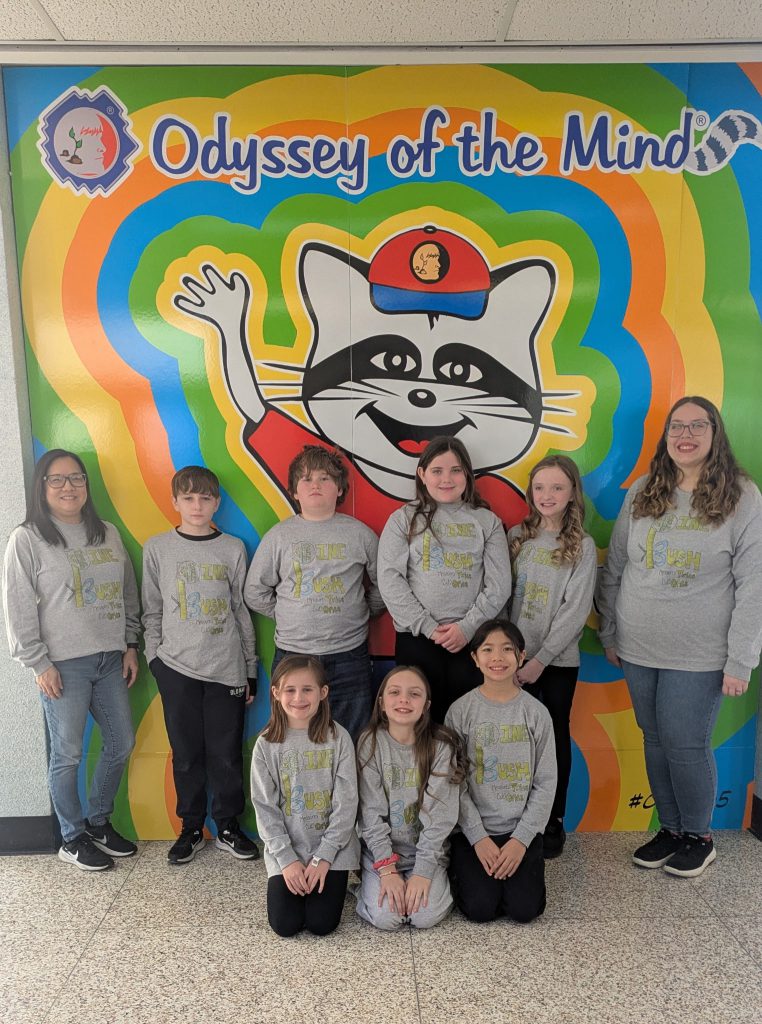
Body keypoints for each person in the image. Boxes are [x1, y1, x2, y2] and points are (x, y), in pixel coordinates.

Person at [598, 396, 762, 877]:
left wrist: (741, 659)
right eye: (677, 426)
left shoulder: (742, 496)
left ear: (715, 433)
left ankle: (699, 836)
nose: (685, 435)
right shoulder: (644, 490)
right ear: (665, 436)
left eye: (697, 425)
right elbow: (616, 567)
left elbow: (754, 584)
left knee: (686, 743)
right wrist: (610, 631)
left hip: (700, 653)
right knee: (654, 740)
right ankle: (670, 829)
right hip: (638, 646)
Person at [2, 449, 140, 871]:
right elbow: (17, 606)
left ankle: (98, 822)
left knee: (121, 742)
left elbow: (127, 589)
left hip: (109, 659)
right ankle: (71, 836)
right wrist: (38, 663)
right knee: (68, 755)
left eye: (77, 478)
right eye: (57, 479)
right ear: (41, 487)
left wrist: (130, 643)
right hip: (63, 666)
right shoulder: (27, 538)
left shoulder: (107, 532)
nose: (69, 487)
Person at [142, 465, 258, 865]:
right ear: (175, 501)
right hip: (175, 668)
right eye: (188, 498)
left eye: (205, 498)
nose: (197, 505)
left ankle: (227, 825)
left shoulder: (233, 548)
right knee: (187, 753)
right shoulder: (157, 548)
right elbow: (152, 610)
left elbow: (241, 611)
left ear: (217, 503)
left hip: (226, 668)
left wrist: (250, 668)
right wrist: (155, 659)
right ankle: (191, 827)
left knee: (226, 753)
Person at [244, 445, 383, 741]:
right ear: (294, 491)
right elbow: (254, 591)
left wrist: (361, 611)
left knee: (351, 738)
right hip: (293, 654)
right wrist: (288, 613)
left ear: (340, 489)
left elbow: (384, 586)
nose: (315, 485)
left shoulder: (360, 534)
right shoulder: (279, 536)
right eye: (306, 479)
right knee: (291, 738)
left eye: (325, 478)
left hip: (349, 654)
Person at [378, 436, 511, 722]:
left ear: (467, 475)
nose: (446, 479)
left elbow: (500, 586)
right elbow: (390, 580)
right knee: (420, 726)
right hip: (417, 638)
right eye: (437, 471)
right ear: (422, 474)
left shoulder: (487, 521)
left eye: (455, 470)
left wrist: (467, 627)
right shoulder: (403, 519)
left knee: (468, 724)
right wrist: (428, 627)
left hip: (472, 641)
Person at [508, 455, 596, 857]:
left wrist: (540, 660)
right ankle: (516, 817)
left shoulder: (582, 546)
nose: (547, 495)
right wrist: (509, 658)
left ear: (572, 492)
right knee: (516, 740)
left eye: (557, 487)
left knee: (554, 739)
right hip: (511, 662)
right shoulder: (516, 537)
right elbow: (502, 597)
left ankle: (552, 820)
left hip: (556, 663)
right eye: (540, 487)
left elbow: (575, 611)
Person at [445, 619, 556, 924]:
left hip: (520, 829)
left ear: (521, 656)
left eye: (507, 649)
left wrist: (521, 839)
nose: (497, 657)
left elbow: (546, 782)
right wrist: (478, 837)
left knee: (524, 911)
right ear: (475, 658)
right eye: (488, 649)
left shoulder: (536, 713)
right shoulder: (460, 711)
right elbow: (455, 782)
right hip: (474, 831)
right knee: (480, 909)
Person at [251, 655, 360, 937]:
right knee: (285, 925)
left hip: (333, 850)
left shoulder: (339, 738)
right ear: (276, 693)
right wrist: (287, 860)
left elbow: (346, 803)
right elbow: (265, 807)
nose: (299, 698)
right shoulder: (266, 745)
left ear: (323, 693)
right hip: (288, 849)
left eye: (307, 689)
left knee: (322, 924)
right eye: (290, 690)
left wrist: (324, 856)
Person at [355, 665, 465, 930]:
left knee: (424, 916)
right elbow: (370, 813)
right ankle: (364, 889)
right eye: (394, 692)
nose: (404, 699)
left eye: (414, 694)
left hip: (426, 853)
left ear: (426, 706)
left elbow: (440, 818)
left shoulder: (441, 746)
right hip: (381, 854)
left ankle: (441, 883)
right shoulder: (370, 742)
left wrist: (423, 872)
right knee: (387, 918)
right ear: (381, 703)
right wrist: (387, 870)